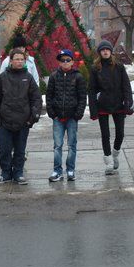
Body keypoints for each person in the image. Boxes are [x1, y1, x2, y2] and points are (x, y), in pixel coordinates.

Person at [0, 48, 42, 185]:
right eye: (17, 59)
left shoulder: (29, 78)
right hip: (4, 122)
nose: (19, 62)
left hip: (23, 122)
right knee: (5, 150)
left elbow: (36, 98)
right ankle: (5, 173)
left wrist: (33, 116)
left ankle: (18, 173)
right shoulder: (2, 78)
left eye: (22, 59)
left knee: (20, 150)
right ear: (11, 61)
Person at [88, 40, 133, 175]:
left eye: (107, 49)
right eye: (102, 50)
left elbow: (126, 85)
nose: (105, 52)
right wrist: (93, 110)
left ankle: (114, 154)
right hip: (102, 105)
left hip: (118, 104)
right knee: (105, 135)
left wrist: (128, 102)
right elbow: (91, 90)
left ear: (111, 51)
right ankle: (108, 161)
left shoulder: (119, 66)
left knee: (120, 133)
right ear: (100, 53)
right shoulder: (95, 68)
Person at [46, 49, 86, 182]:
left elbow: (82, 97)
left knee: (71, 145)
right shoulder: (53, 76)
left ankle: (70, 169)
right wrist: (52, 113)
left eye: (67, 60)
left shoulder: (78, 77)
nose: (65, 62)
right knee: (57, 145)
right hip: (58, 117)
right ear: (59, 62)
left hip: (72, 117)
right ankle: (57, 170)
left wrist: (78, 114)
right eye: (62, 60)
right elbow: (49, 96)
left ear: (72, 62)